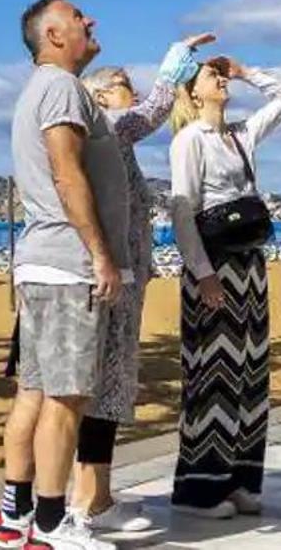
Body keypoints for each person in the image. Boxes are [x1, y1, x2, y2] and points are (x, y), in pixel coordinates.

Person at [0, 0, 126, 550]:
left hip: (43, 264)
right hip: (68, 265)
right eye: (77, 17)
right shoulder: (62, 88)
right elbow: (67, 175)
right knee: (66, 398)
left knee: (35, 394)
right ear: (52, 35)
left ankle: (12, 517)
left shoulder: (38, 90)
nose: (89, 20)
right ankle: (49, 526)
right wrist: (99, 253)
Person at [67, 35, 213, 534]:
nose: (132, 90)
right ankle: (90, 499)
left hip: (125, 279)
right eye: (124, 83)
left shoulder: (110, 141)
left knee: (109, 386)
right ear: (101, 95)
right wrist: (173, 62)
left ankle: (96, 492)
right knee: (103, 387)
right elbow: (153, 111)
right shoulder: (104, 126)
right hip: (110, 281)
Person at [168, 56, 281, 517]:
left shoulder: (240, 134)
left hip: (250, 263)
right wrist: (203, 273)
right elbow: (182, 211)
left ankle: (240, 477)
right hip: (214, 264)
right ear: (192, 92)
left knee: (249, 372)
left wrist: (247, 71)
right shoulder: (190, 140)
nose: (220, 79)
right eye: (211, 75)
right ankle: (199, 489)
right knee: (214, 374)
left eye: (221, 74)